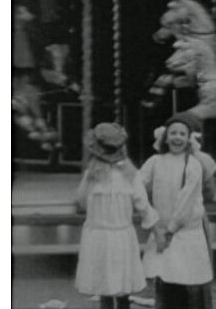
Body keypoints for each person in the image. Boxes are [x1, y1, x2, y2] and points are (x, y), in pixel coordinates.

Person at [75, 123, 161, 309]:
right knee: (116, 282)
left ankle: (114, 305)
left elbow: (81, 202)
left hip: (108, 234)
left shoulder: (95, 175)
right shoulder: (128, 175)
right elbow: (143, 206)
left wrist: (157, 231)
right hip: (110, 234)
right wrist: (156, 229)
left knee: (110, 282)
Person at [140, 113, 214, 309]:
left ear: (189, 139)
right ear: (165, 137)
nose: (177, 138)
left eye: (182, 134)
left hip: (186, 232)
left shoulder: (193, 164)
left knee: (190, 282)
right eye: (173, 133)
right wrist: (152, 220)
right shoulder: (155, 161)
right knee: (166, 279)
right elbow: (137, 187)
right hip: (162, 231)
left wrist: (170, 231)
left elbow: (186, 201)